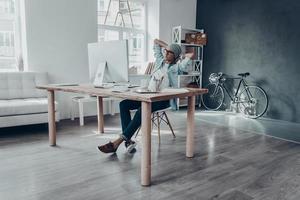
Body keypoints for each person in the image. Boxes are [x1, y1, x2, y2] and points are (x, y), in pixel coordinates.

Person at [98, 39, 194, 154]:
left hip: (162, 100)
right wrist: (168, 47)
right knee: (124, 104)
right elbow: (155, 41)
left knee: (141, 109)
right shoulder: (159, 61)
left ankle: (117, 143)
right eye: (166, 51)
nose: (166, 53)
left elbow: (185, 66)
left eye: (169, 53)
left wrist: (185, 56)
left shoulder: (175, 68)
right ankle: (128, 141)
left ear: (175, 56)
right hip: (149, 94)